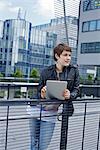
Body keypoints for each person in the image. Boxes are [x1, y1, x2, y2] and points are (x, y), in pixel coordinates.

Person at [29, 43, 80, 150]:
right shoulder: (46, 71)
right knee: (34, 143)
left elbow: (76, 89)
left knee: (42, 146)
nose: (68, 58)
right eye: (65, 55)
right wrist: (42, 94)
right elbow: (38, 92)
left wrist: (70, 95)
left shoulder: (73, 71)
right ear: (57, 56)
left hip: (51, 113)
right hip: (35, 109)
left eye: (70, 55)